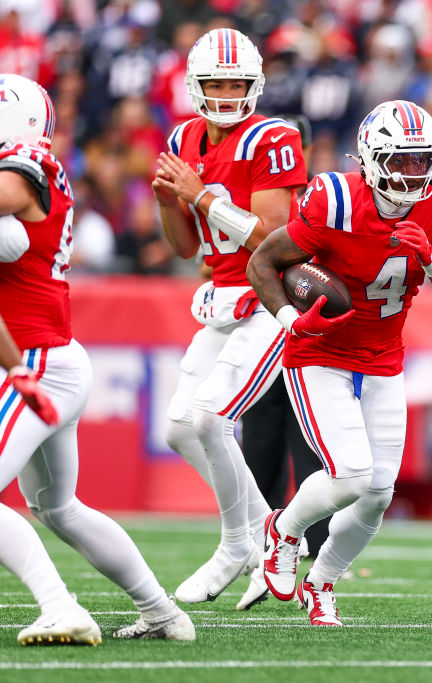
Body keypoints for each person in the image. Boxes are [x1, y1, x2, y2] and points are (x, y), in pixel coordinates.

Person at [246, 99, 432, 627]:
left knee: (376, 496)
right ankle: (283, 528)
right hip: (319, 354)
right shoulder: (334, 200)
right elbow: (265, 261)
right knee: (349, 476)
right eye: (400, 161)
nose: (413, 174)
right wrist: (287, 318)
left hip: (384, 361)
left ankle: (321, 582)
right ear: (371, 160)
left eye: (422, 161)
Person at [0, 73, 193, 644]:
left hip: (36, 361)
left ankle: (60, 606)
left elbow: (10, 195)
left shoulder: (31, 161)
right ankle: (162, 613)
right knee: (58, 507)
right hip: (38, 356)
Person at [152, 28, 308, 604]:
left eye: (236, 83)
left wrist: (199, 196)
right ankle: (270, 527)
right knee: (177, 428)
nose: (224, 93)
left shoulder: (272, 138)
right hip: (222, 297)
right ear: (195, 85)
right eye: (215, 82)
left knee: (212, 419)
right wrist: (172, 203)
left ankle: (236, 541)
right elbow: (182, 246)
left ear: (256, 84)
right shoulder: (184, 136)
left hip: (269, 297)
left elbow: (276, 237)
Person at [236, 113, 327, 611]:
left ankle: (309, 545)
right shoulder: (259, 196)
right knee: (262, 442)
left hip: (307, 336)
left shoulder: (322, 196)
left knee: (311, 443)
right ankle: (260, 540)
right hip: (265, 325)